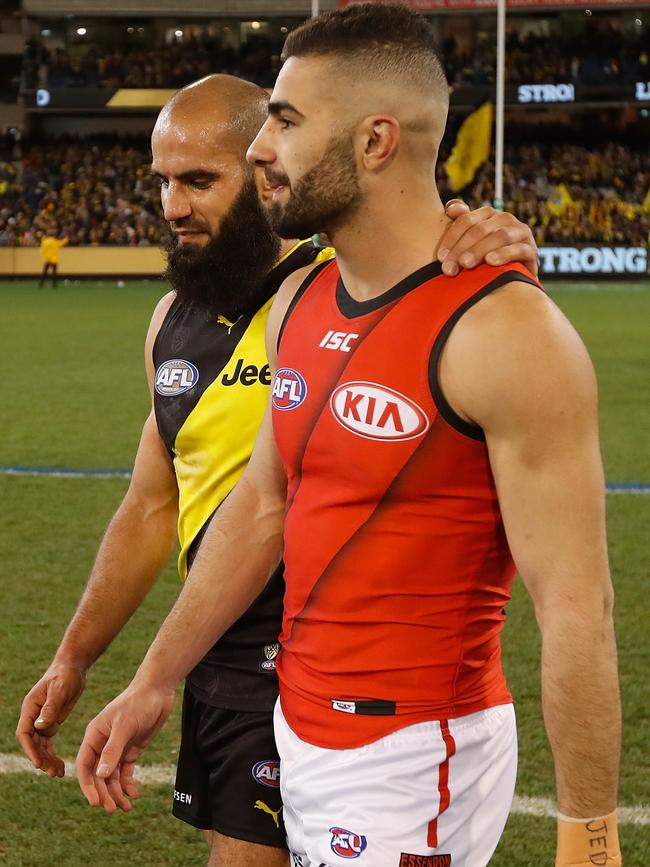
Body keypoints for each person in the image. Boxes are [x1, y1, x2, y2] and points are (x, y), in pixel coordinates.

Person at [72, 9, 622, 866]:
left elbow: (577, 611)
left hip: (412, 757)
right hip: (298, 724)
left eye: (286, 122)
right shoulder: (299, 303)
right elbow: (259, 510)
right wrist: (152, 681)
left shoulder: (506, 332)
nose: (262, 147)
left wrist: (590, 839)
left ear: (373, 142)